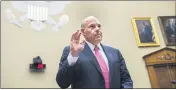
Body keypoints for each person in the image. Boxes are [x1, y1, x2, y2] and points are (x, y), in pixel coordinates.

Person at [56, 16, 133, 89]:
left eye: (99, 26)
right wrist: (73, 56)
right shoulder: (72, 51)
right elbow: (62, 83)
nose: (97, 29)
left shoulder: (115, 53)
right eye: (92, 26)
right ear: (83, 31)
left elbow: (126, 80)